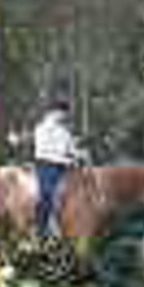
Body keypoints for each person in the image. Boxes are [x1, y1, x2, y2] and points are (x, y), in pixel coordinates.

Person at [33, 100, 84, 238]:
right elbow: (43, 152)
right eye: (63, 114)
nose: (64, 117)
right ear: (55, 112)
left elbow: (70, 149)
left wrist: (80, 154)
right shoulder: (41, 129)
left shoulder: (64, 131)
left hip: (64, 166)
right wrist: (67, 160)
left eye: (65, 115)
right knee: (48, 193)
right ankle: (42, 226)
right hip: (46, 166)